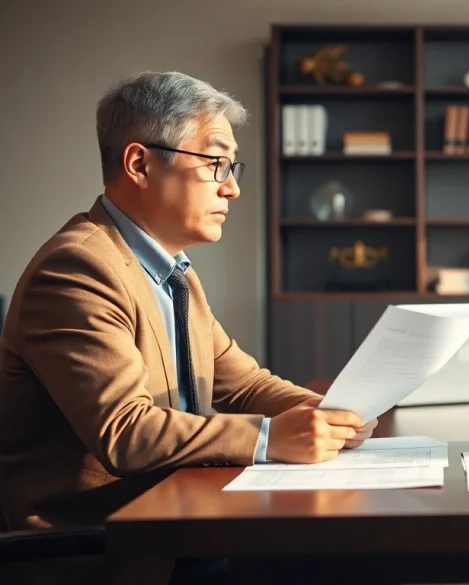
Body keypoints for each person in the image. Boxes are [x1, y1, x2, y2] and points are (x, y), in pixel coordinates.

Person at [0, 71, 377, 583]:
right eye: (216, 162)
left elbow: (242, 383)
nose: (233, 187)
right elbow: (126, 432)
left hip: (176, 516)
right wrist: (270, 437)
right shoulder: (76, 269)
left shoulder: (172, 271)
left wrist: (324, 413)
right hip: (103, 545)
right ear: (140, 164)